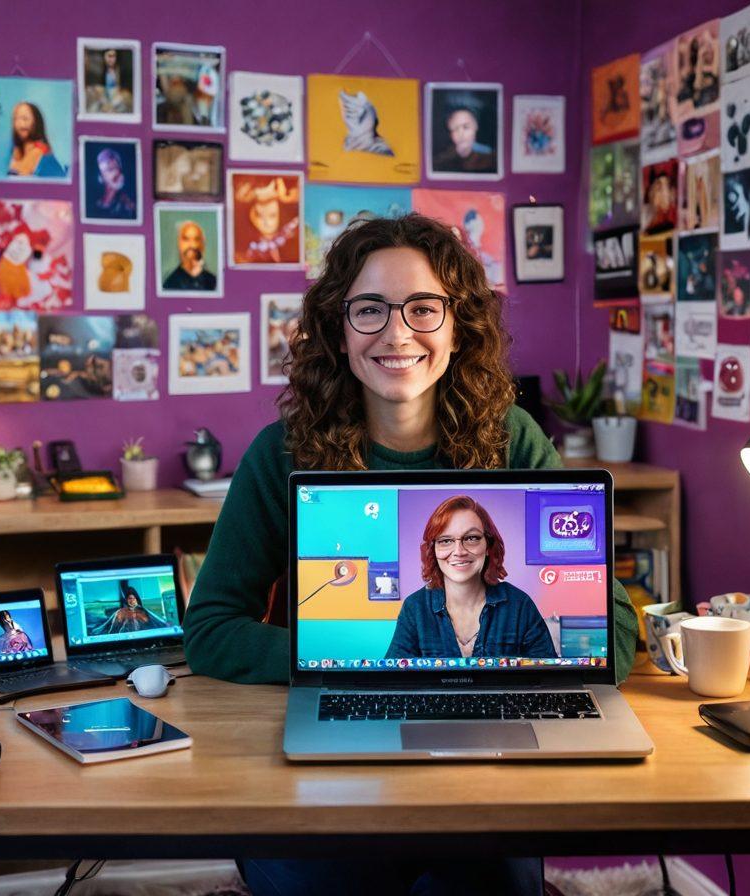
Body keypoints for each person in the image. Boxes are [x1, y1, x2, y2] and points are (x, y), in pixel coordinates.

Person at [182, 213, 637, 896]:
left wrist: (454, 676)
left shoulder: (513, 438)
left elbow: (618, 635)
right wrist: (339, 668)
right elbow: (211, 629)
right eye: (369, 309)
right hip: (331, 758)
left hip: (485, 774)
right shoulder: (283, 451)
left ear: (458, 326)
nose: (397, 334)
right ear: (339, 329)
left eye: (423, 308)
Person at [386, 495, 556, 659]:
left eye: (471, 538)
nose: (459, 551)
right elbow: (392, 681)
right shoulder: (415, 607)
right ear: (433, 550)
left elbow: (550, 680)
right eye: (445, 541)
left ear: (489, 546)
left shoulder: (519, 605)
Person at [432, 97, 496, 173]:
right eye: (455, 128)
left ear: (476, 127)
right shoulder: (441, 161)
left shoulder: (491, 158)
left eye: (466, 127)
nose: (461, 134)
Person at [8, 102, 66, 178]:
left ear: (36, 122)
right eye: (16, 119)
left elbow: (22, 173)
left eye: (25, 118)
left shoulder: (40, 150)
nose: (20, 124)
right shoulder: (15, 149)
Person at [91, 582, 167, 636]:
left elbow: (155, 623)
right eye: (130, 598)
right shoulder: (120, 613)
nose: (132, 601)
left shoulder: (144, 612)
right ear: (127, 600)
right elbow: (112, 631)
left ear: (137, 600)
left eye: (134, 599)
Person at [163, 220, 217, 291]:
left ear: (203, 245)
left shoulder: (214, 282)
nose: (192, 245)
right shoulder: (169, 284)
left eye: (197, 239)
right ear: (179, 244)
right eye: (186, 239)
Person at [92, 147, 135, 218]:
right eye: (110, 169)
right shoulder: (94, 205)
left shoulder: (127, 204)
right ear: (101, 177)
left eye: (118, 168)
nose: (117, 173)